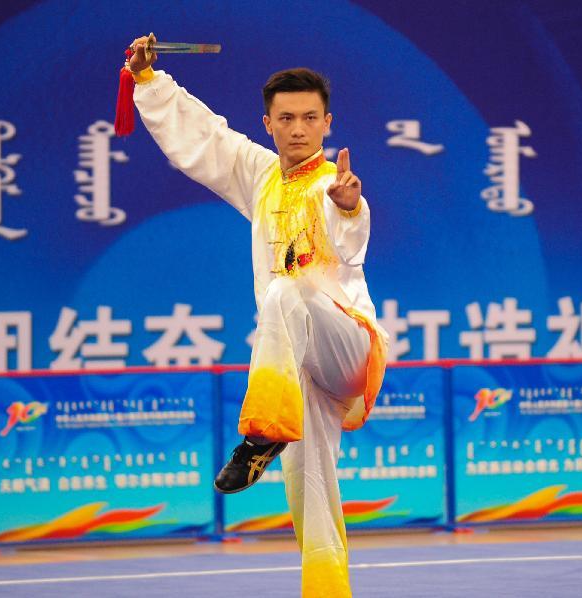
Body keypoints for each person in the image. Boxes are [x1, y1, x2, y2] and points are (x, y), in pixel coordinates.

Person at [127, 33, 388, 597]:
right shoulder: (262, 176)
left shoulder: (333, 186)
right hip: (294, 370)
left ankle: (261, 435)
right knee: (309, 492)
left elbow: (351, 246)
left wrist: (349, 209)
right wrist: (148, 80)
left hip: (348, 347)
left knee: (284, 293)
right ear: (267, 123)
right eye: (286, 118)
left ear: (327, 123)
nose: (298, 128)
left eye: (310, 118)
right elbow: (204, 138)